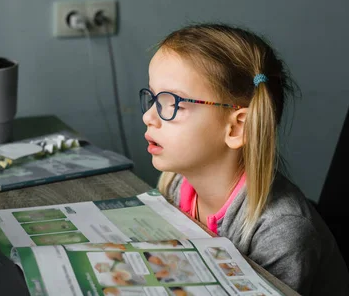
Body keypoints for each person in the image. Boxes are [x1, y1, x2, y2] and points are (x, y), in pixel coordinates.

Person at [140, 23, 349, 294]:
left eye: (173, 103)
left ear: (237, 128)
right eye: (154, 98)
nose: (148, 117)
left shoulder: (282, 232)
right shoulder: (177, 183)